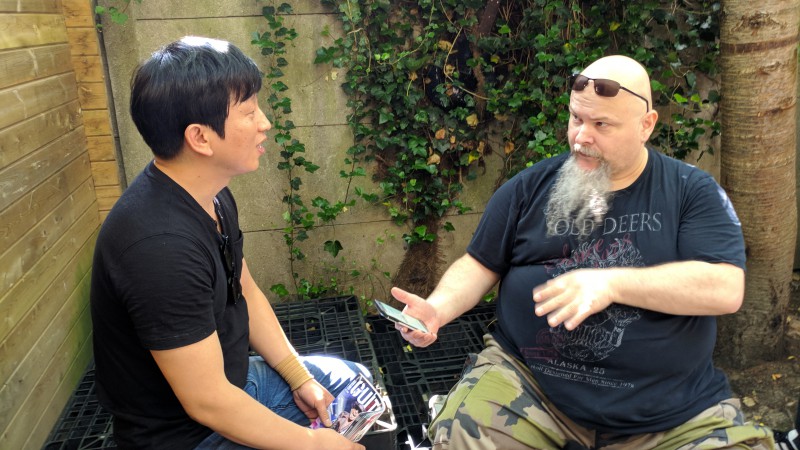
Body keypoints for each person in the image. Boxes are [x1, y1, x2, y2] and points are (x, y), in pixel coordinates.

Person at [390, 54, 779, 449]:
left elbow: (725, 287)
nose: (581, 137)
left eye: (601, 125)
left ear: (646, 125)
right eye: (576, 118)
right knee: (463, 429)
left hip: (670, 414)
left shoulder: (691, 192)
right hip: (532, 390)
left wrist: (610, 284)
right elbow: (479, 263)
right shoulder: (527, 188)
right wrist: (438, 309)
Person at [90, 36, 366, 450]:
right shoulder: (159, 250)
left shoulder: (212, 194)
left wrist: (299, 376)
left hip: (233, 383)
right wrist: (316, 444)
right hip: (188, 435)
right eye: (249, 112)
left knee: (352, 388)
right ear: (200, 138)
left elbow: (244, 289)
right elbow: (209, 402)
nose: (265, 123)